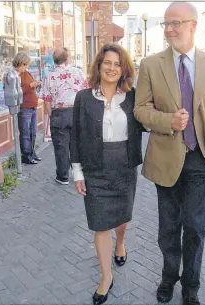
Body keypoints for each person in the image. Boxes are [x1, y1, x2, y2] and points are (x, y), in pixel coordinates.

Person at [134, 2, 205, 305]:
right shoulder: (151, 64)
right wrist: (168, 121)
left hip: (203, 160)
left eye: (176, 23)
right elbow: (140, 109)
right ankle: (168, 277)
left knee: (195, 228)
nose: (169, 29)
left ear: (193, 25)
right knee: (168, 229)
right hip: (166, 160)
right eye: (166, 24)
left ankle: (191, 286)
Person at [70, 43, 145, 305]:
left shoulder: (133, 97)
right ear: (99, 66)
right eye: (107, 63)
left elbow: (149, 121)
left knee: (122, 219)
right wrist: (77, 172)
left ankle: (121, 242)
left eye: (117, 64)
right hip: (94, 170)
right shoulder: (84, 98)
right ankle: (106, 277)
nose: (112, 68)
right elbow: (76, 137)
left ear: (123, 69)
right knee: (100, 224)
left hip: (124, 167)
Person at [40, 47, 87, 185]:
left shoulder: (49, 75)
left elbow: (47, 98)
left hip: (59, 113)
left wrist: (51, 114)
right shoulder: (78, 73)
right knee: (78, 145)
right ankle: (79, 174)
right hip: (77, 112)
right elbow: (86, 94)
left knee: (61, 146)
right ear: (67, 58)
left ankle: (63, 176)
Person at [12, 52, 41, 164]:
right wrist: (30, 86)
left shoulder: (26, 73)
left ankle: (32, 153)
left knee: (33, 132)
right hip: (24, 108)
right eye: (25, 64)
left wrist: (36, 83)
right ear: (20, 63)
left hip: (32, 106)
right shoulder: (15, 75)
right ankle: (26, 156)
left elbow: (29, 86)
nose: (26, 67)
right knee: (25, 133)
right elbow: (17, 92)